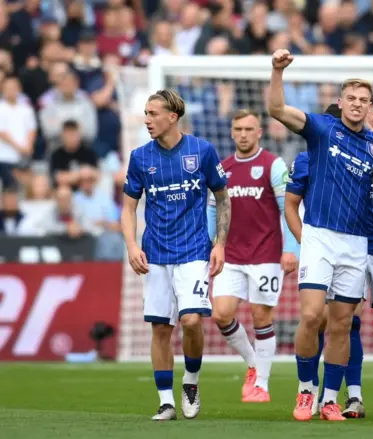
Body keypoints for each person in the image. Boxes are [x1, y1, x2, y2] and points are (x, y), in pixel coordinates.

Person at [267, 48, 373, 422]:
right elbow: (277, 110)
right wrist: (276, 72)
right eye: (351, 98)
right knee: (312, 316)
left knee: (341, 324)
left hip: (356, 242)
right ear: (340, 101)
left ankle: (330, 398)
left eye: (363, 101)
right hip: (319, 234)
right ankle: (306, 390)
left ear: (370, 109)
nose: (356, 104)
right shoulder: (321, 128)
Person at [121, 89, 231, 421]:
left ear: (172, 117)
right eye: (145, 112)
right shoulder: (141, 157)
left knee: (192, 320)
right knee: (160, 329)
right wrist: (131, 246)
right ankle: (166, 401)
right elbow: (128, 209)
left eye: (153, 113)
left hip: (194, 250)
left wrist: (220, 244)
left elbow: (223, 198)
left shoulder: (202, 150)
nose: (147, 119)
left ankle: (192, 381)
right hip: (154, 254)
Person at [206, 109, 298, 403]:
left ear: (259, 133)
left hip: (266, 254)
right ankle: (252, 362)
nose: (243, 134)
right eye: (238, 129)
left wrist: (291, 249)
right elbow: (213, 209)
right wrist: (214, 243)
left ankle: (262, 384)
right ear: (232, 133)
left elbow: (289, 209)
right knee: (221, 313)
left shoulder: (273, 165)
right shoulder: (223, 168)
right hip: (231, 254)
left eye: (249, 129)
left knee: (261, 316)